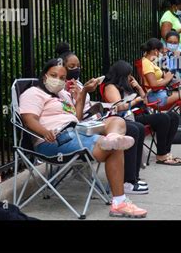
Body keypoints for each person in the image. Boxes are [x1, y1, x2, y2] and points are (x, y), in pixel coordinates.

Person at [19, 59, 147, 218]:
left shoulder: (63, 94)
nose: (58, 80)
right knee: (114, 147)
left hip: (77, 130)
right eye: (54, 75)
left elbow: (76, 118)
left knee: (118, 122)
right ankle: (119, 203)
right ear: (44, 75)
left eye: (62, 77)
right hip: (54, 140)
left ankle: (112, 138)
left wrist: (82, 94)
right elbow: (29, 119)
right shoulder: (33, 93)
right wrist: (45, 132)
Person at [56, 43, 148, 195]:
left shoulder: (78, 83)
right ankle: (126, 182)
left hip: (91, 119)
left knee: (136, 127)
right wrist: (81, 94)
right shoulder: (59, 89)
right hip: (80, 126)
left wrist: (95, 103)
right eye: (72, 66)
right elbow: (74, 117)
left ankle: (133, 179)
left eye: (78, 65)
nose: (77, 69)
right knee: (131, 129)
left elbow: (86, 105)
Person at [102, 60, 181, 166]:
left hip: (139, 113)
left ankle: (166, 152)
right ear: (122, 75)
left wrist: (138, 87)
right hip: (128, 118)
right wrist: (134, 102)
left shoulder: (126, 86)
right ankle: (161, 155)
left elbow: (145, 101)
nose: (130, 77)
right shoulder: (111, 87)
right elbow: (118, 107)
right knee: (163, 118)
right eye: (128, 75)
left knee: (173, 117)